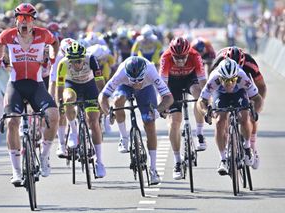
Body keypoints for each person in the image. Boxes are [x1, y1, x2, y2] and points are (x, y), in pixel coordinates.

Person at [0, 3, 59, 184]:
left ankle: (45, 157)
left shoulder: (43, 34)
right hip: (15, 84)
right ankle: (16, 171)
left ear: (33, 22)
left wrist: (52, 57)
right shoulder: (8, 35)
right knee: (12, 121)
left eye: (28, 18)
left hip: (36, 85)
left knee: (54, 116)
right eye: (21, 18)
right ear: (16, 20)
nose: (24, 21)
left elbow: (55, 42)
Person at [98, 56, 173, 185]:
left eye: (139, 80)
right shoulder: (121, 72)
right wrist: (107, 112)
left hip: (147, 89)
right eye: (134, 80)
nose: (137, 84)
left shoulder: (151, 71)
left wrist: (157, 110)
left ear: (144, 74)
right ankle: (124, 138)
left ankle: (153, 170)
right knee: (118, 101)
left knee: (149, 123)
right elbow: (102, 96)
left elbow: (168, 98)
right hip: (125, 87)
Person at [197, 58, 263, 175]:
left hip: (239, 92)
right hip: (221, 94)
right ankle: (223, 159)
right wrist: (205, 112)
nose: (229, 83)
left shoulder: (243, 77)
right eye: (225, 80)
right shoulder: (214, 79)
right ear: (220, 78)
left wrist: (255, 112)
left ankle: (247, 148)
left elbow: (257, 98)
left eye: (233, 80)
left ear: (236, 76)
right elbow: (201, 101)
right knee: (219, 122)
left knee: (245, 117)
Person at [56, 41, 106, 178]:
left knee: (94, 122)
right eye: (73, 61)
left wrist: (103, 100)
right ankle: (73, 131)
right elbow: (59, 88)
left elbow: (100, 82)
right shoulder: (63, 63)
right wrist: (60, 106)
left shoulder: (91, 59)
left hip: (90, 86)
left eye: (79, 60)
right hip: (72, 85)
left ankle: (99, 162)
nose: (77, 64)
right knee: (68, 100)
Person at [211, 46, 267, 169]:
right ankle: (226, 151)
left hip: (244, 85)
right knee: (221, 119)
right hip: (223, 86)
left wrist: (256, 109)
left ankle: (251, 147)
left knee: (249, 116)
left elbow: (261, 87)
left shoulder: (250, 63)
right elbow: (211, 87)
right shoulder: (218, 64)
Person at [159, 37, 207, 180]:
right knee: (174, 122)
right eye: (177, 58)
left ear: (188, 53)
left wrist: (207, 104)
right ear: (171, 54)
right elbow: (162, 86)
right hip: (173, 83)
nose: (180, 61)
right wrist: (163, 106)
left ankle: (199, 133)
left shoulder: (195, 56)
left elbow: (204, 82)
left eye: (183, 57)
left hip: (190, 78)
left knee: (198, 94)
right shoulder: (165, 57)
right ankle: (177, 162)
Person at [49, 37, 76, 158]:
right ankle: (61, 144)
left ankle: (83, 137)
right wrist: (53, 101)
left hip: (78, 82)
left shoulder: (80, 53)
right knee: (62, 111)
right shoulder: (58, 59)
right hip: (63, 84)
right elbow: (53, 82)